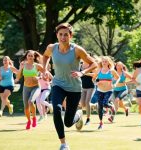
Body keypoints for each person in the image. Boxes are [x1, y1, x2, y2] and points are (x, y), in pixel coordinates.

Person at [43, 22, 97, 150]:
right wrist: (45, 69)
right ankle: (63, 144)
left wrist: (82, 72)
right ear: (57, 35)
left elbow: (93, 63)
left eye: (66, 35)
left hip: (74, 88)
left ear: (70, 36)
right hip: (58, 84)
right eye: (60, 34)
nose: (63, 37)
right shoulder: (52, 48)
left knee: (68, 122)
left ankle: (78, 115)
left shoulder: (77, 50)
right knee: (56, 109)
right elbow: (45, 56)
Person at [16, 50, 44, 130]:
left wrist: (39, 77)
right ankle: (29, 121)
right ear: (26, 56)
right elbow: (18, 77)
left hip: (36, 87)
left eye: (32, 56)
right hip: (26, 88)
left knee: (31, 101)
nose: (30, 57)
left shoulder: (37, 66)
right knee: (26, 107)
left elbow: (44, 73)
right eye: (29, 55)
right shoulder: (23, 65)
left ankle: (34, 118)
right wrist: (20, 68)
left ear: (34, 57)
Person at [92, 56, 119, 130]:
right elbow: (93, 79)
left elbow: (118, 77)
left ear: (108, 62)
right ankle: (101, 123)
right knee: (100, 107)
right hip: (100, 90)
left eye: (105, 61)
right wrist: (96, 83)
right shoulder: (99, 70)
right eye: (103, 61)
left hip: (109, 90)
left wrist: (115, 84)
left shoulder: (111, 70)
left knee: (104, 103)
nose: (104, 63)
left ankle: (111, 107)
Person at [79, 60, 95, 125]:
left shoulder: (91, 66)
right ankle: (95, 105)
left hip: (90, 87)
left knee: (87, 102)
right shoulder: (80, 66)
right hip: (83, 87)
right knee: (82, 104)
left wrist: (85, 73)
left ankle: (88, 119)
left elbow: (95, 74)